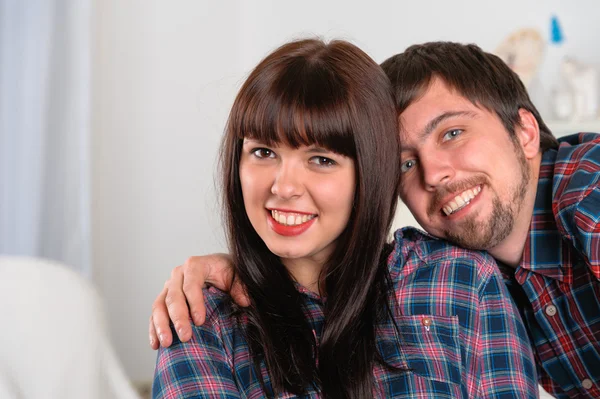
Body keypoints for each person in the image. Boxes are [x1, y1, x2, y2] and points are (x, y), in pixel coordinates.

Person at [150, 41, 600, 398]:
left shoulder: (583, 195)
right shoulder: (203, 316)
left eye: (453, 132)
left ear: (524, 131)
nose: (435, 173)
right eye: (405, 162)